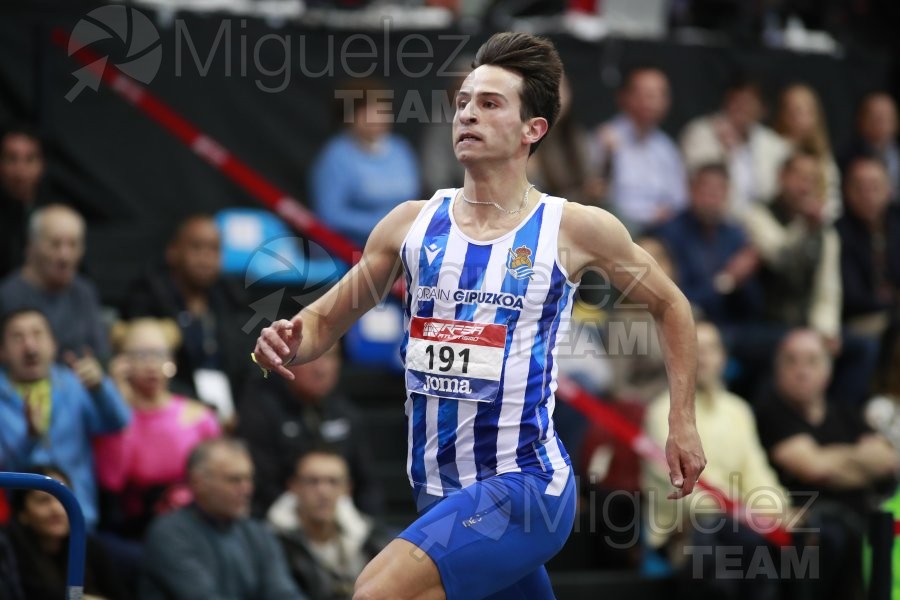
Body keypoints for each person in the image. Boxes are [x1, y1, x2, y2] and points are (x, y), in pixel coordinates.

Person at [253, 32, 705, 600]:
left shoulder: (574, 227)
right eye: (463, 101)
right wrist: (288, 338)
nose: (467, 113)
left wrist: (681, 420)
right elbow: (322, 324)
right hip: (439, 492)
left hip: (526, 486)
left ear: (531, 130)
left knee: (373, 593)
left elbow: (671, 304)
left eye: (490, 104)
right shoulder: (410, 223)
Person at [643, 321, 789, 600]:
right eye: (694, 348)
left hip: (741, 526)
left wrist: (778, 509)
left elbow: (757, 473)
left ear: (724, 357)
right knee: (726, 540)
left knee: (818, 534)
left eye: (711, 349)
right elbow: (680, 490)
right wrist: (748, 512)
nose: (704, 357)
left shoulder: (739, 411)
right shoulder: (660, 412)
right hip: (683, 532)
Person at [755, 329, 897, 600]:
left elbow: (886, 460)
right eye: (791, 361)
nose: (801, 370)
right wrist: (857, 461)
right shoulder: (771, 411)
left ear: (828, 370)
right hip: (813, 527)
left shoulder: (844, 412)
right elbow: (813, 468)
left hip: (862, 521)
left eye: (812, 361)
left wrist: (829, 460)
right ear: (776, 370)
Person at [0, 307, 130, 528]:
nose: (30, 346)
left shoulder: (74, 383)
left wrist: (100, 389)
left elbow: (117, 422)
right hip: (23, 528)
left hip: (80, 517)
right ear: (2, 351)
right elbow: (5, 468)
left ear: (54, 344)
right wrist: (30, 437)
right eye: (18, 337)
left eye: (38, 334)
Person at [93, 318, 221, 539]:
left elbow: (218, 479)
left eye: (160, 354)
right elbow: (112, 480)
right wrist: (120, 399)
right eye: (141, 356)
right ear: (123, 362)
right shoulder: (114, 420)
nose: (152, 365)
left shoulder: (199, 417)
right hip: (136, 531)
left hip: (197, 528)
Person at [139, 437, 305, 600]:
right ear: (198, 483)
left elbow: (283, 592)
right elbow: (202, 596)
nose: (246, 489)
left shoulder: (258, 533)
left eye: (249, 479)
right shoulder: (169, 535)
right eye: (234, 480)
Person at [121, 214, 252, 408]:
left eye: (213, 249)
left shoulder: (232, 300)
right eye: (196, 247)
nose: (205, 258)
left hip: (229, 411)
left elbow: (245, 367)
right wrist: (197, 407)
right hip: (172, 410)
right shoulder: (148, 300)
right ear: (172, 251)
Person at [237, 343, 382, 518]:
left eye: (330, 357)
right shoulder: (260, 412)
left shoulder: (348, 414)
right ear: (286, 363)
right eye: (312, 358)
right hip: (279, 521)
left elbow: (367, 485)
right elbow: (262, 488)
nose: (320, 369)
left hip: (341, 520)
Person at [269, 447, 393, 600]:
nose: (323, 491)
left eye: (333, 482)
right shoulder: (271, 541)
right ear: (293, 486)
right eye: (312, 481)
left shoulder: (371, 540)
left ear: (347, 489)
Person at [311, 79, 420, 249]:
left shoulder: (400, 149)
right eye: (366, 111)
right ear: (349, 116)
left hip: (402, 245)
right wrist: (384, 227)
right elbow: (330, 216)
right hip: (351, 250)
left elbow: (414, 198)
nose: (375, 116)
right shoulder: (335, 156)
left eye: (381, 109)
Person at [0, 204, 110, 360]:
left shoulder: (84, 292)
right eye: (55, 244)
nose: (65, 256)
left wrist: (95, 371)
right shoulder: (8, 296)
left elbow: (102, 356)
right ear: (32, 246)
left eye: (73, 244)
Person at [5, 465, 130, 600]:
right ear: (22, 514)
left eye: (62, 499)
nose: (56, 509)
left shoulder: (90, 546)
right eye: (43, 501)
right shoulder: (9, 551)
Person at [588, 66, 687, 231]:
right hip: (616, 226)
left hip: (661, 229)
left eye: (658, 95)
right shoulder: (606, 137)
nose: (651, 101)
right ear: (624, 97)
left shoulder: (667, 148)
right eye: (645, 93)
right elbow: (597, 195)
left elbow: (678, 200)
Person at [680, 77, 791, 218]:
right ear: (727, 101)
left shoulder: (774, 144)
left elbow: (773, 191)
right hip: (716, 218)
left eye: (750, 102)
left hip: (762, 219)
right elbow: (700, 186)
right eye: (738, 100)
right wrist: (728, 153)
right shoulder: (700, 134)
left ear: (762, 109)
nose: (743, 107)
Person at [774, 83, 842, 219]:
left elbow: (833, 201)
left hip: (815, 221)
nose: (798, 117)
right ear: (782, 114)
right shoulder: (770, 146)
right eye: (793, 110)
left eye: (806, 111)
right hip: (780, 218)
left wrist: (820, 213)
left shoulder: (824, 156)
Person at [0, 125, 46, 279]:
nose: (20, 170)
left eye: (30, 159)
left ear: (42, 165)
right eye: (11, 159)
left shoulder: (55, 215)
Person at [842, 92, 899, 198]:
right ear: (861, 120)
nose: (880, 121)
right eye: (875, 116)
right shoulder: (846, 158)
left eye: (886, 116)